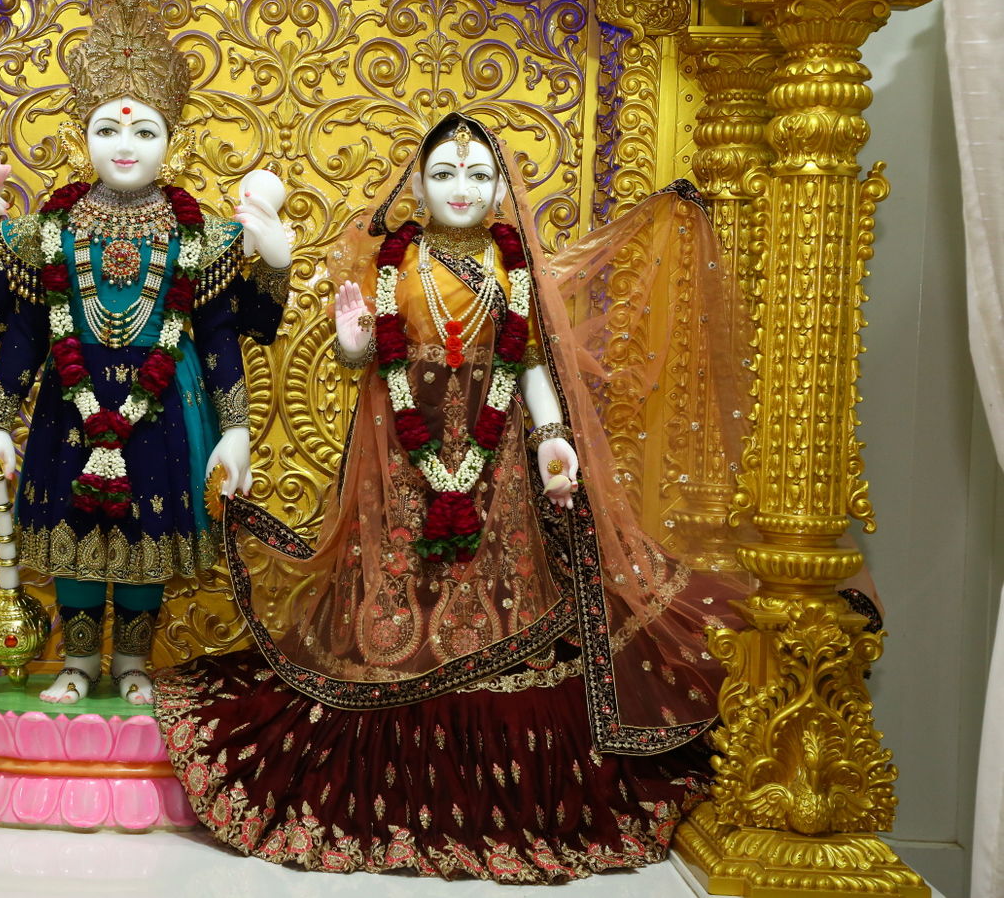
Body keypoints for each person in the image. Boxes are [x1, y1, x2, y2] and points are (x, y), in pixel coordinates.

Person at [153, 113, 753, 883]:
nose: (460, 189)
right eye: (443, 175)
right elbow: (363, 352)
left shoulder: (516, 266)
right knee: (397, 587)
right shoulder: (395, 257)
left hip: (496, 457)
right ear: (419, 186)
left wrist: (551, 441)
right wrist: (353, 335)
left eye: (476, 176)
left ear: (502, 188)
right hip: (402, 456)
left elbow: (534, 360)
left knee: (499, 591)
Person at [0, 0, 291, 706]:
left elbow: (237, 333)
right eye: (108, 128)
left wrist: (237, 429)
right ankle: (75, 661)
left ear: (173, 137)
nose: (125, 143)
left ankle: (132, 663)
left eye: (144, 129)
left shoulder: (199, 237)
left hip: (166, 409)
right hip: (70, 413)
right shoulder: (51, 230)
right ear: (85, 136)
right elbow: (20, 329)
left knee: (145, 540)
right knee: (75, 533)